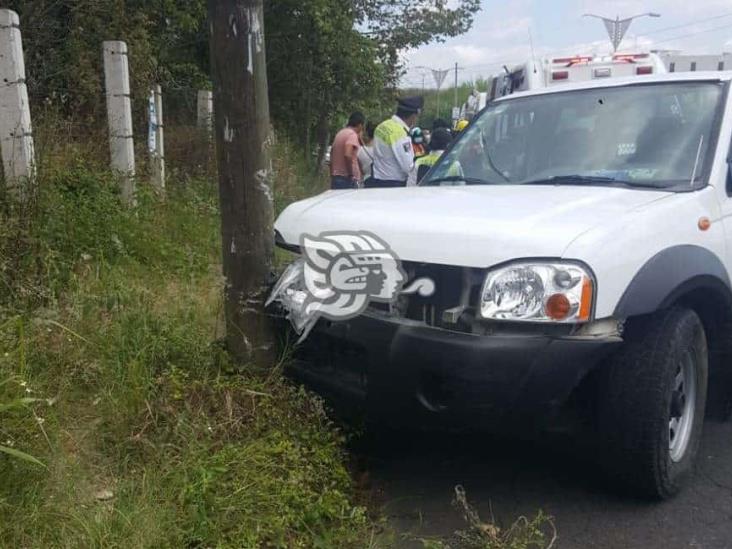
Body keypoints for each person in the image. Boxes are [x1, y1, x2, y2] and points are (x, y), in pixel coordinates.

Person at [366, 96, 423, 188]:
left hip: (377, 181)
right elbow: (408, 167)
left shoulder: (381, 126)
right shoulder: (400, 133)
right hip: (394, 185)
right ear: (413, 116)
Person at [330, 111, 365, 189]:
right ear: (360, 125)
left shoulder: (340, 133)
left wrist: (332, 173)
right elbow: (347, 154)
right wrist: (351, 174)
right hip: (347, 179)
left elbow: (332, 154)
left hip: (336, 177)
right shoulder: (352, 135)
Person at [357, 121, 376, 186]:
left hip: (365, 181)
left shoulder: (359, 151)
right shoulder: (380, 151)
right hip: (378, 181)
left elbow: (359, 170)